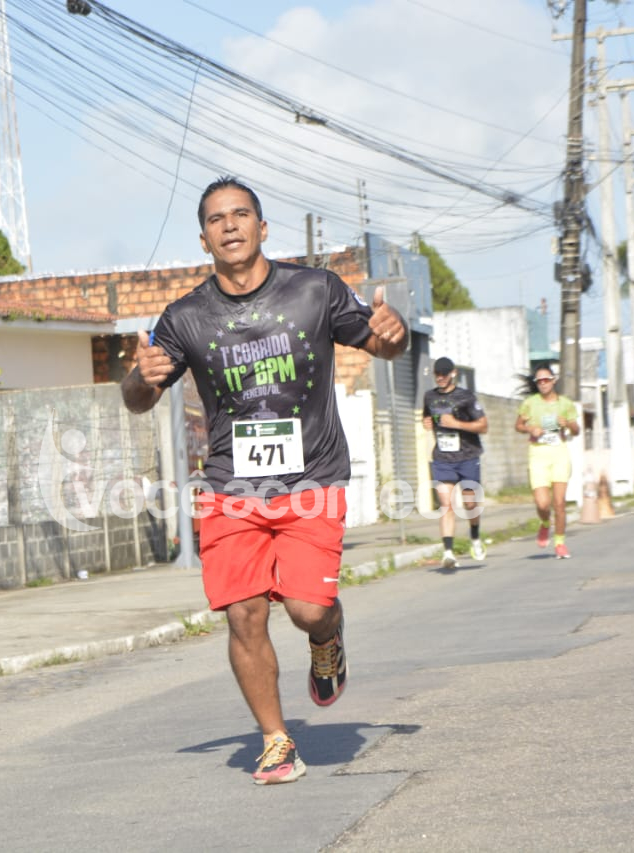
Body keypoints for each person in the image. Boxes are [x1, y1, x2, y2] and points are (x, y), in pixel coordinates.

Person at [122, 177, 407, 786]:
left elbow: (382, 343)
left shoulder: (314, 290)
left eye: (241, 214)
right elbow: (140, 397)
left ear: (262, 226)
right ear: (204, 239)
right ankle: (276, 740)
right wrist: (140, 378)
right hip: (232, 487)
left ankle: (327, 638)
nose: (230, 225)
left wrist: (394, 333)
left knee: (308, 609)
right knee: (244, 614)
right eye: (216, 219)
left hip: (312, 478)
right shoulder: (186, 317)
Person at [422, 357, 489, 567]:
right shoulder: (429, 396)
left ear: (453, 373)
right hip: (443, 459)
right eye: (437, 374)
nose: (440, 377)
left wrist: (456, 424)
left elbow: (483, 426)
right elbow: (429, 418)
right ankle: (448, 553)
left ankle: (475, 537)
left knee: (470, 504)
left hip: (467, 456)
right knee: (446, 504)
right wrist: (427, 422)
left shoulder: (466, 397)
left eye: (444, 373)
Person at [515, 366, 581, 559]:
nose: (543, 384)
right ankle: (545, 523)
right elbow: (518, 425)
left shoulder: (565, 404)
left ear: (554, 380)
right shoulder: (530, 403)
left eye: (546, 380)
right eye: (539, 381)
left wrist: (567, 424)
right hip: (538, 454)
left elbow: (576, 430)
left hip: (559, 453)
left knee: (559, 503)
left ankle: (560, 543)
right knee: (543, 504)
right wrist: (530, 429)